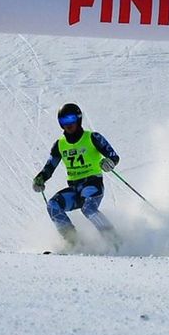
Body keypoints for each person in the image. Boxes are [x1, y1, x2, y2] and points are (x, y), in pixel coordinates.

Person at [32, 103, 121, 248]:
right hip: (74, 189)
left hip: (92, 185)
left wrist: (109, 162)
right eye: (63, 121)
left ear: (78, 119)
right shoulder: (59, 145)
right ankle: (73, 242)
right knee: (53, 205)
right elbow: (50, 166)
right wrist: (40, 178)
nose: (68, 124)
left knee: (88, 209)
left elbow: (113, 156)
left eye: (71, 119)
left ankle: (114, 240)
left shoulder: (92, 137)